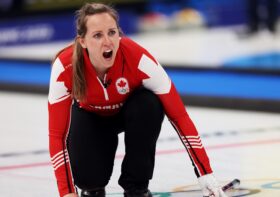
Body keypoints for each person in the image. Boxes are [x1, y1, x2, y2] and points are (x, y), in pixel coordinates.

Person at [48, 3, 227, 197]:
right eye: (97, 35)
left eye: (112, 32)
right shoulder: (65, 67)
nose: (107, 41)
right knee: (88, 179)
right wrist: (66, 192)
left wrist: (205, 173)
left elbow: (179, 117)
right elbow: (57, 136)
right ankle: (93, 187)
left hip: (129, 113)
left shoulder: (139, 59)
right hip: (91, 118)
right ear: (82, 41)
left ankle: (136, 187)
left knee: (150, 104)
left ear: (119, 34)